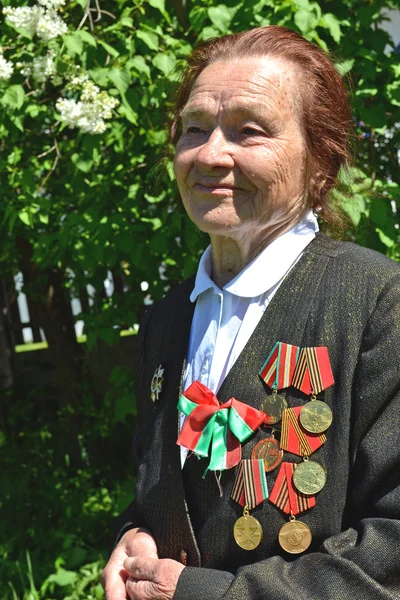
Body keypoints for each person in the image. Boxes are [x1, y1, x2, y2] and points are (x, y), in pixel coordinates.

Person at [101, 25, 400, 600]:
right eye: (194, 129)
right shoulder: (165, 323)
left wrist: (205, 594)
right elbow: (169, 494)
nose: (211, 154)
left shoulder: (378, 306)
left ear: (321, 161)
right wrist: (134, 534)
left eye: (250, 130)